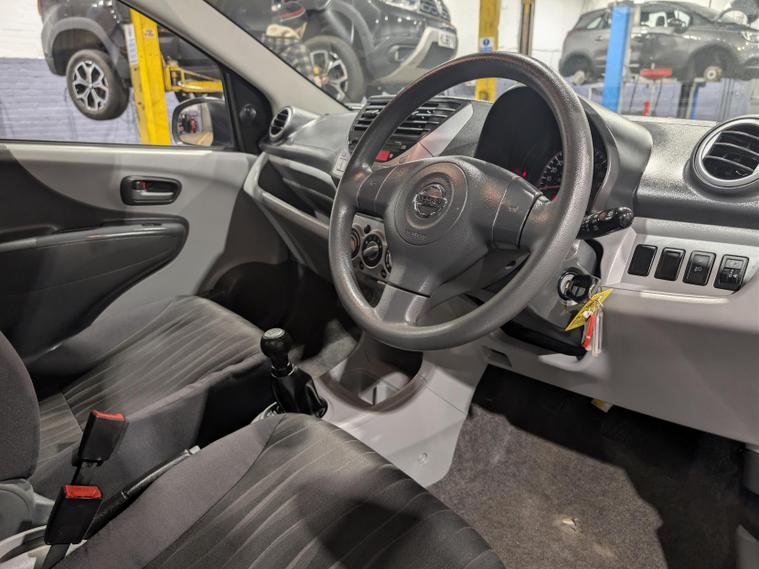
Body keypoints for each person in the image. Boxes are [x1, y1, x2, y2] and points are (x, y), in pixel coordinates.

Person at [262, 2, 319, 84]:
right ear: (301, 27)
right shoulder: (298, 50)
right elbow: (308, 86)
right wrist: (317, 82)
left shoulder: (265, 41)